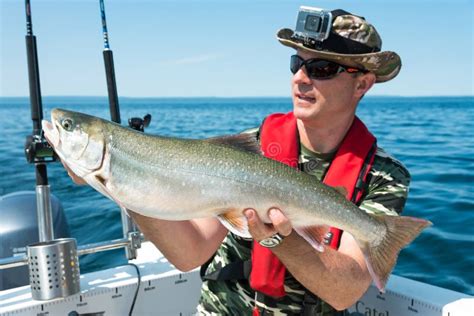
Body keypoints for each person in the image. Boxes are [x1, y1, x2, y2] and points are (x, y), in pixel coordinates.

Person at [64, 6, 410, 316]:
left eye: (321, 68)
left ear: (362, 84)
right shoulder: (249, 148)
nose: (300, 78)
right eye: (297, 63)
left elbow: (344, 292)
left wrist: (278, 238)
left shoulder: (383, 176)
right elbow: (190, 252)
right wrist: (121, 180)